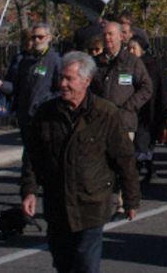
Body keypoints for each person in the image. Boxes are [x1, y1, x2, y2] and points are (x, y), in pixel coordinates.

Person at [21, 52, 140, 273]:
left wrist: (131, 199)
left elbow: (124, 159)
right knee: (63, 263)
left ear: (86, 81)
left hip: (91, 203)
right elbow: (33, 156)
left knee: (85, 264)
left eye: (69, 79)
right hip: (57, 204)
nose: (62, 84)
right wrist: (29, 190)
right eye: (61, 78)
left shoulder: (105, 113)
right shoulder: (47, 113)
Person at [0, 22, 61, 144]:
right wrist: (1, 84)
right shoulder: (25, 61)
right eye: (34, 37)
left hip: (44, 116)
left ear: (49, 38)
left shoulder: (55, 60)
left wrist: (46, 104)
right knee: (28, 154)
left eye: (40, 37)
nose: (37, 40)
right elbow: (16, 88)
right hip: (25, 117)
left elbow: (60, 90)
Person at [127, 35, 167, 183]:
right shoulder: (128, 65)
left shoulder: (150, 65)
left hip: (149, 111)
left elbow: (158, 89)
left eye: (134, 48)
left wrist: (164, 110)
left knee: (143, 142)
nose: (130, 51)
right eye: (129, 48)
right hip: (135, 110)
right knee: (141, 143)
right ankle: (148, 169)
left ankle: (140, 170)